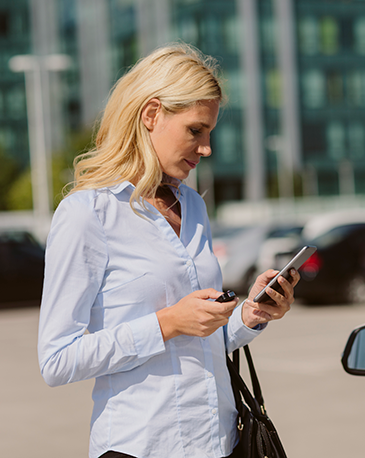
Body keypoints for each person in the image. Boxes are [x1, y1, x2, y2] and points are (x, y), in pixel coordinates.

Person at [37, 44, 299, 458]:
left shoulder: (193, 206)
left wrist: (248, 315)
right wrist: (166, 323)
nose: (206, 147)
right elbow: (57, 360)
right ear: (151, 115)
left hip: (221, 443)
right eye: (196, 130)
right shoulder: (88, 214)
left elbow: (199, 343)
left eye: (210, 132)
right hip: (141, 447)